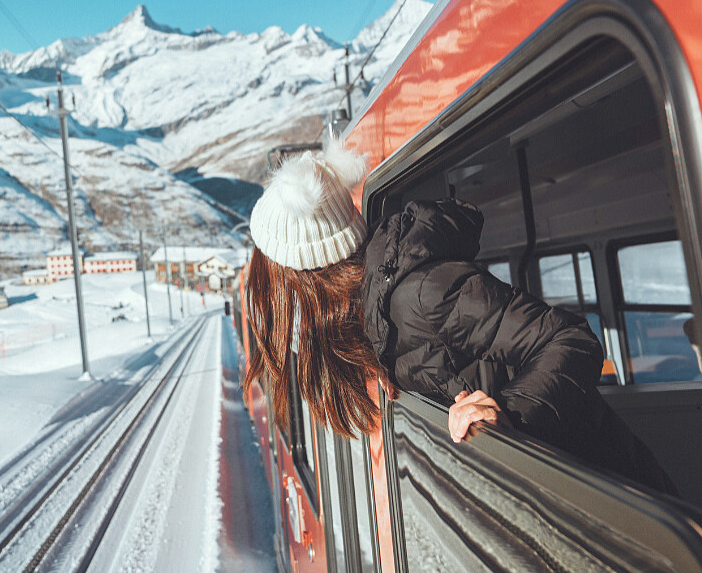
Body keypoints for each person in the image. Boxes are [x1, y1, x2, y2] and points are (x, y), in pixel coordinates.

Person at [243, 144, 674, 493]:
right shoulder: (375, 314)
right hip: (574, 494)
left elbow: (571, 340)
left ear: (309, 281)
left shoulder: (420, 294)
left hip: (614, 492)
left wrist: (505, 417)